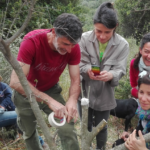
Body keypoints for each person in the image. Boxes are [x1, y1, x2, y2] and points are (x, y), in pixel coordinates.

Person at [9, 13, 82, 150]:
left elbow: (75, 79)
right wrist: (49, 101)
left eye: (72, 45)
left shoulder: (72, 47)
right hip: (25, 92)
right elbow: (15, 82)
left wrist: (72, 99)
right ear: (53, 32)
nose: (69, 50)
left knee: (67, 127)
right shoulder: (32, 41)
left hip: (51, 88)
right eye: (65, 44)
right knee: (29, 132)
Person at [78, 2, 129, 150]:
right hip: (85, 92)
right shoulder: (84, 39)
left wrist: (111, 75)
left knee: (101, 127)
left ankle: (101, 148)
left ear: (116, 27)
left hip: (106, 94)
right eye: (98, 31)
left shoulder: (122, 45)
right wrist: (88, 70)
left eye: (107, 32)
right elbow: (79, 64)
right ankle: (86, 147)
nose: (102, 36)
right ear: (93, 25)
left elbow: (120, 69)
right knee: (85, 126)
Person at [121, 71, 150, 150]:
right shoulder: (143, 113)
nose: (143, 99)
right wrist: (131, 136)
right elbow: (140, 129)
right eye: (141, 92)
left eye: (149, 94)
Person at [130, 32, 150, 99]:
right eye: (146, 51)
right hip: (140, 102)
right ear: (141, 50)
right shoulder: (134, 63)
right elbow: (133, 87)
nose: (149, 56)